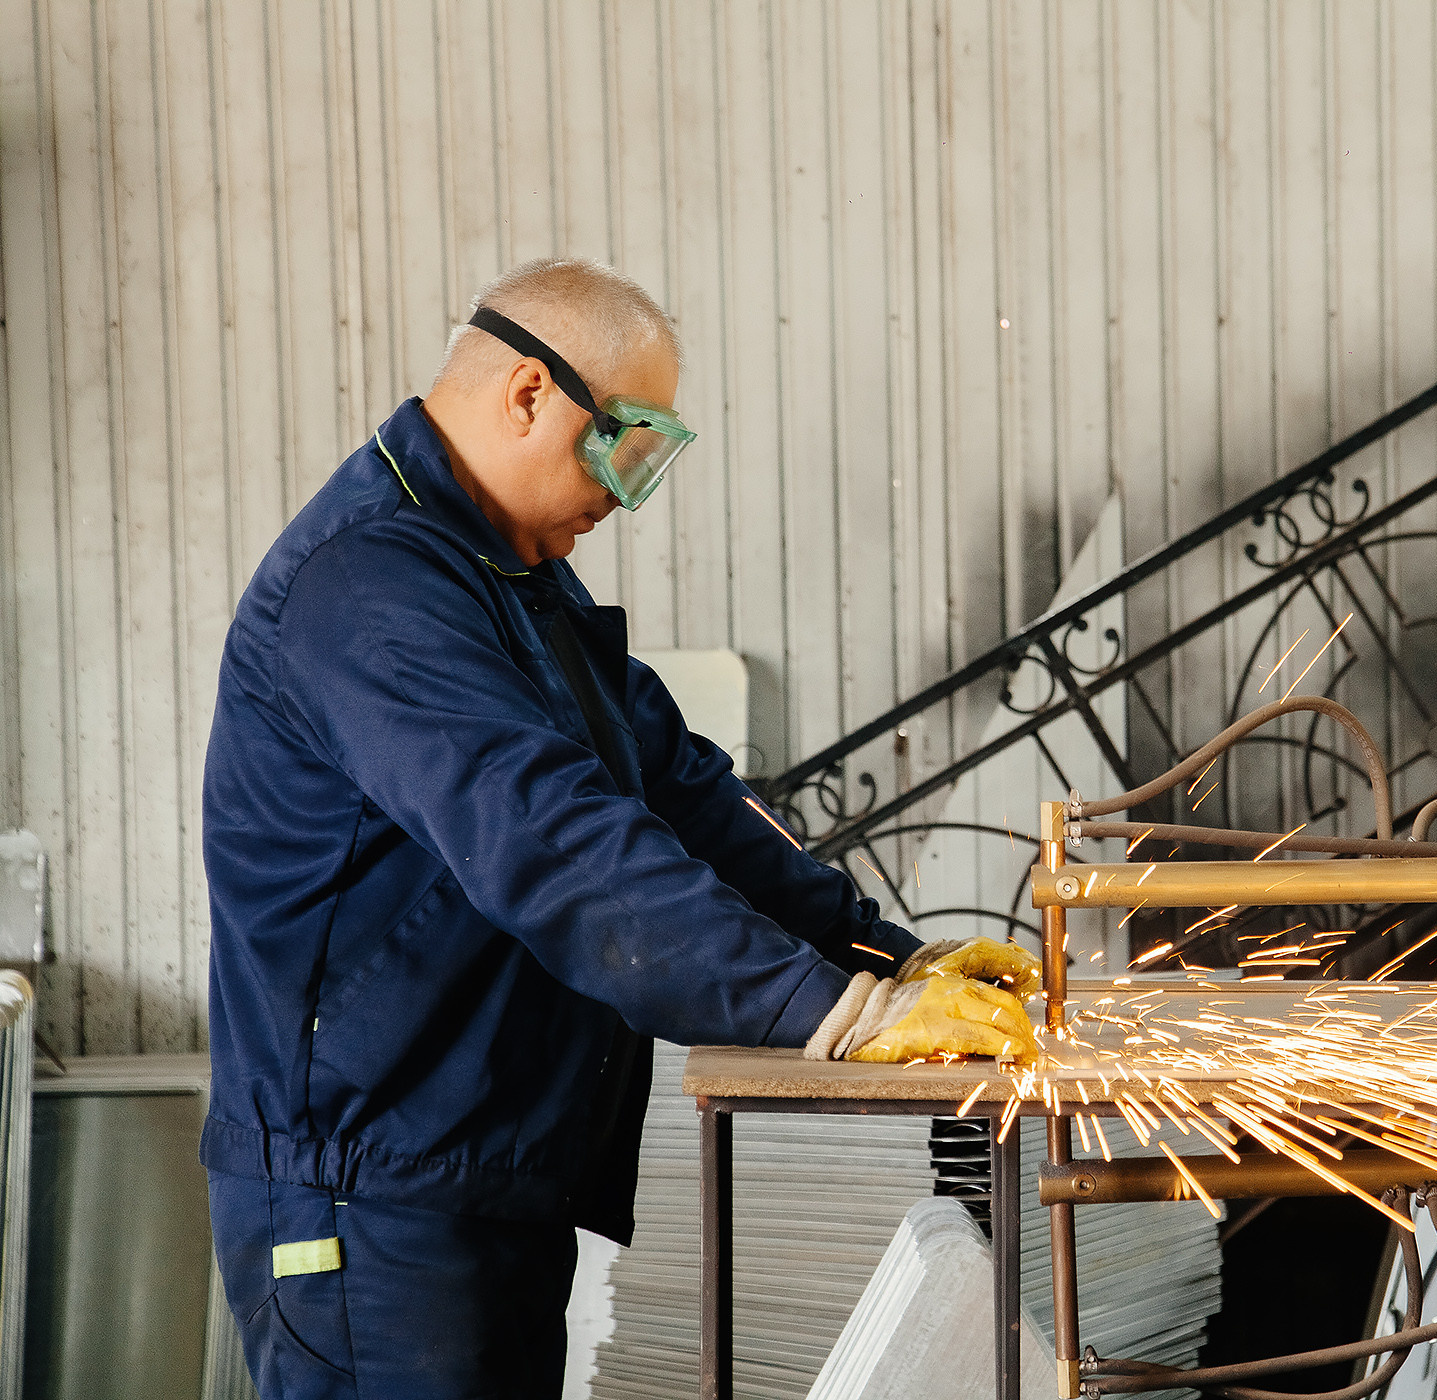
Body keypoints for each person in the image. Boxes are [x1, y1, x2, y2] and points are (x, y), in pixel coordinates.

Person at [201, 258, 1037, 1399]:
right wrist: (828, 1013)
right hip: (370, 1200)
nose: (623, 496)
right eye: (620, 447)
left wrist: (889, 961)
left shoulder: (514, 582)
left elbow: (686, 797)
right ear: (529, 393)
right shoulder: (369, 584)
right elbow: (553, 838)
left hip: (473, 1179)